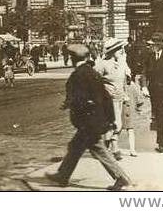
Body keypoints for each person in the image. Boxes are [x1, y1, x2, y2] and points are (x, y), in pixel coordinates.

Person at [46, 43, 135, 191]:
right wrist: (110, 119)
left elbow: (80, 99)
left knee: (98, 150)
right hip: (94, 121)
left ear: (73, 58)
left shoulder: (79, 74)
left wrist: (70, 104)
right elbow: (105, 96)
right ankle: (63, 175)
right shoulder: (92, 72)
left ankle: (121, 178)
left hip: (88, 123)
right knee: (75, 147)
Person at [95, 37, 129, 160]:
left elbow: (123, 80)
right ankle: (114, 148)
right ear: (113, 50)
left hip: (119, 97)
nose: (122, 51)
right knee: (114, 124)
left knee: (116, 124)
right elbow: (94, 80)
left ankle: (106, 147)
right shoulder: (102, 64)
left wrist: (125, 93)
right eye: (119, 49)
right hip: (108, 99)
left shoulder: (121, 63)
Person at [119, 74, 144, 157]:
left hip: (125, 111)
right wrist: (138, 108)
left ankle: (131, 149)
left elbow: (139, 99)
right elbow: (139, 100)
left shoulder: (123, 85)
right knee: (125, 130)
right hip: (125, 111)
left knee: (122, 130)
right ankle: (132, 150)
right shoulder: (133, 86)